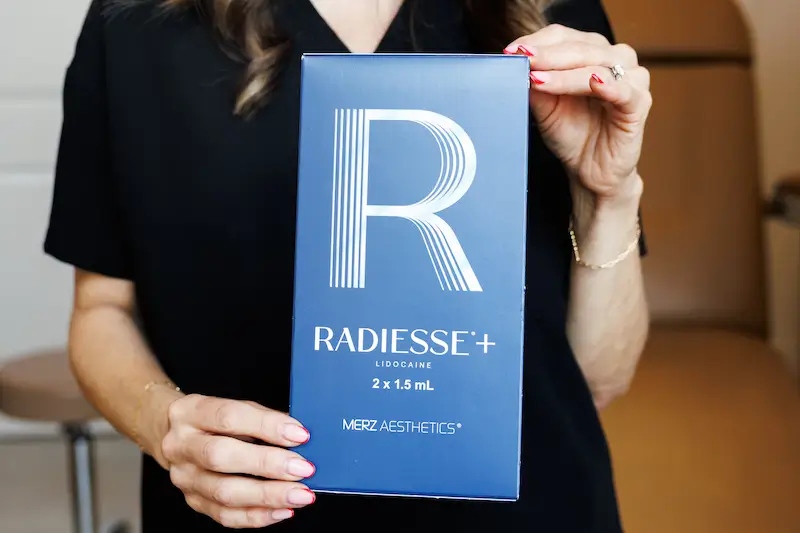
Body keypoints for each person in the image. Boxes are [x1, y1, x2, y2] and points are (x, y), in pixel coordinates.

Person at [44, 0, 652, 530]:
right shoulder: (137, 24)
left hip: (531, 513)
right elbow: (101, 309)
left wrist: (610, 196)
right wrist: (164, 425)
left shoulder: (547, 13)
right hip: (246, 512)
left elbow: (599, 380)